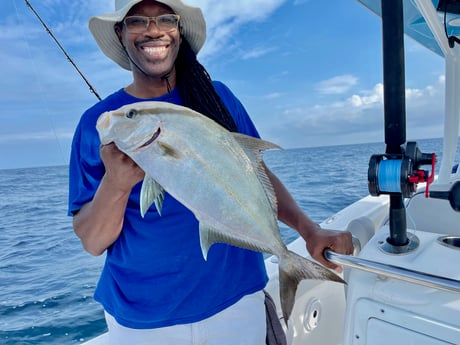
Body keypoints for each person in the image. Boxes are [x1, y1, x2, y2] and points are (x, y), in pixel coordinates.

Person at [68, 0, 354, 344]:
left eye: (165, 19)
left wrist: (309, 230)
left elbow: (254, 174)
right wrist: (115, 184)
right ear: (121, 32)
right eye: (137, 21)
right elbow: (93, 242)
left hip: (236, 299)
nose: (154, 30)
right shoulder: (96, 125)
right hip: (143, 316)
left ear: (179, 30)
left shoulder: (216, 97)